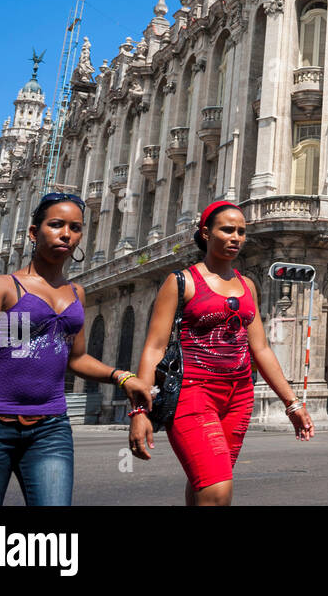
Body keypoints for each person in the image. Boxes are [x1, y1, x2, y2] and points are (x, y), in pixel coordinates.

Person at [0, 192, 152, 505]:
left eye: (75, 227)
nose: (66, 234)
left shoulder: (76, 294)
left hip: (50, 429)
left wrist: (123, 377)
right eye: (56, 225)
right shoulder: (0, 286)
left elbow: (78, 357)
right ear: (34, 232)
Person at [129, 201, 314, 505]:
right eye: (227, 230)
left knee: (204, 484)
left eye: (241, 232)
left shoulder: (247, 286)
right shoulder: (182, 282)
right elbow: (154, 347)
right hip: (193, 394)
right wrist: (139, 411)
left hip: (239, 398)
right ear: (206, 233)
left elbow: (261, 349)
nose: (236, 237)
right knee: (217, 491)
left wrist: (292, 404)